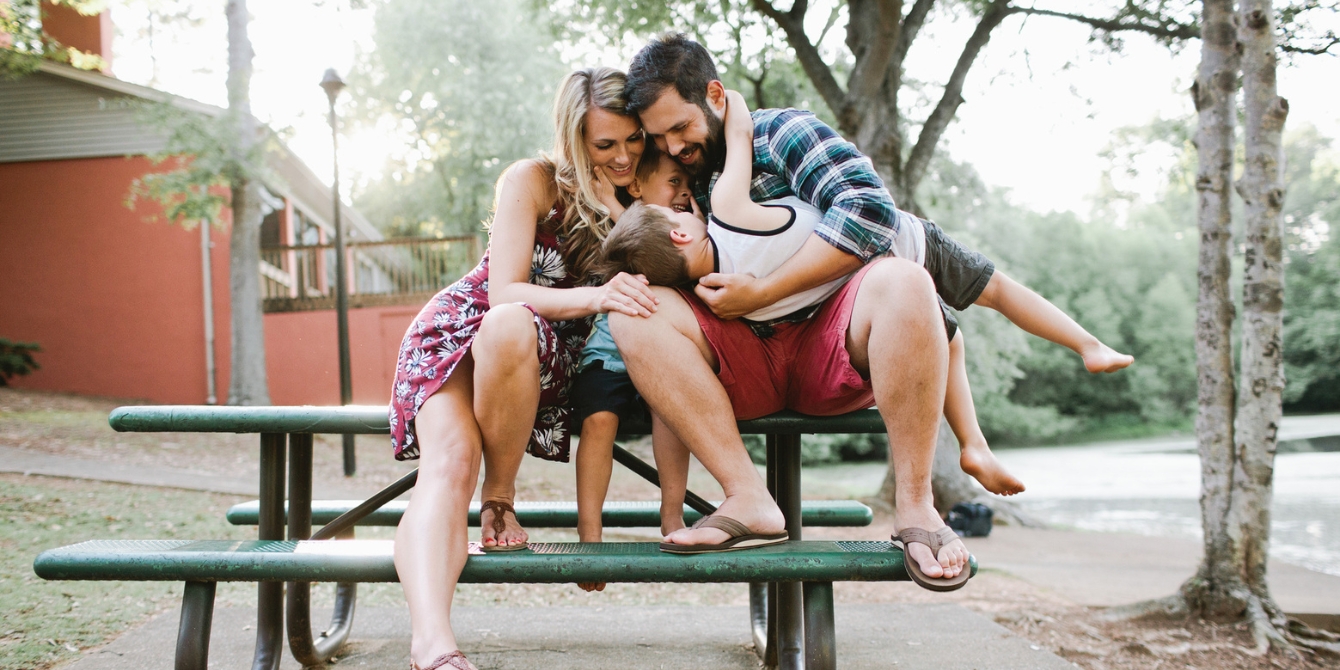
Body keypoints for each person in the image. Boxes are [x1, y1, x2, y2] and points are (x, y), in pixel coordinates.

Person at [600, 91, 1134, 499]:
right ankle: (1070, 357)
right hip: (899, 250)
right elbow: (736, 152)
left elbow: (672, 241)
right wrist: (734, 109)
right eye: (673, 206)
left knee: (959, 331)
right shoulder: (726, 211)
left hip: (885, 259)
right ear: (679, 232)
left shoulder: (712, 282)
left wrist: (618, 206)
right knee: (990, 299)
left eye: (679, 132)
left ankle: (982, 436)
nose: (681, 197)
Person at [607, 32, 967, 589]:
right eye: (660, 137)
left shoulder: (781, 132)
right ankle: (747, 495)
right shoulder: (672, 177)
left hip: (830, 346)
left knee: (906, 281)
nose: (675, 147)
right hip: (739, 359)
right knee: (633, 309)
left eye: (682, 127)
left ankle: (917, 507)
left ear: (713, 95)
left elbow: (871, 213)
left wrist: (765, 290)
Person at [388, 67, 658, 670]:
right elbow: (506, 292)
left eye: (633, 139)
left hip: (551, 356)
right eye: (604, 144)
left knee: (512, 333)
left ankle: (499, 495)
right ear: (573, 138)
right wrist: (598, 296)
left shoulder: (653, 192)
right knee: (450, 461)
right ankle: (434, 648)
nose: (622, 156)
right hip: (466, 329)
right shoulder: (533, 180)